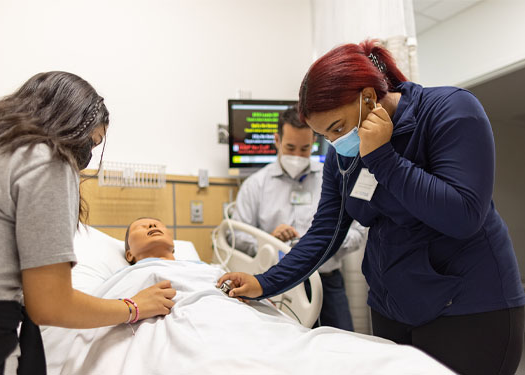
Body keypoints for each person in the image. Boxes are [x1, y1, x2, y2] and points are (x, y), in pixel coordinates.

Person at [218, 40, 525, 375]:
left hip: (468, 308)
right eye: (327, 137)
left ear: (367, 98)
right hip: (392, 308)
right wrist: (266, 282)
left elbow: (463, 215)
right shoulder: (342, 154)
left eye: (337, 128)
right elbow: (326, 232)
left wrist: (382, 158)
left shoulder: (450, 111)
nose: (336, 144)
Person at [0, 72, 176, 375]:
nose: (87, 155)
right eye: (91, 142)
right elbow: (50, 304)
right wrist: (135, 306)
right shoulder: (45, 160)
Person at [230, 106, 367, 330]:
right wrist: (269, 241)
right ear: (277, 140)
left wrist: (315, 244)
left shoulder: (332, 176)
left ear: (314, 141)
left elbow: (357, 233)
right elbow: (237, 236)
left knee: (342, 349)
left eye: (305, 149)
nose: (297, 156)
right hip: (276, 281)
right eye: (290, 147)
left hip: (327, 281)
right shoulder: (256, 185)